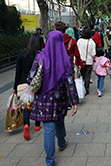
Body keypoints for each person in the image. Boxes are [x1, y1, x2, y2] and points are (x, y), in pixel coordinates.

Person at [28, 30, 78, 166]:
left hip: (43, 99)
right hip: (59, 99)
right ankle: (61, 142)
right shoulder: (66, 59)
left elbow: (31, 79)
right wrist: (74, 101)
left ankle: (50, 161)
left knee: (48, 129)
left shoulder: (39, 57)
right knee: (59, 120)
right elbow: (70, 82)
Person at [13, 34, 44, 140]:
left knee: (27, 105)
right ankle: (37, 124)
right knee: (38, 103)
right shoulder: (41, 55)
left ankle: (26, 124)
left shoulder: (22, 54)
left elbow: (18, 72)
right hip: (38, 83)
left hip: (23, 83)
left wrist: (15, 86)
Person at [77, 27, 96, 95]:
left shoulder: (79, 41)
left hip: (81, 61)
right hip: (89, 61)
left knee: (81, 75)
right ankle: (86, 89)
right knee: (88, 76)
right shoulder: (91, 42)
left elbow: (77, 51)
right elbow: (93, 53)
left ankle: (81, 88)